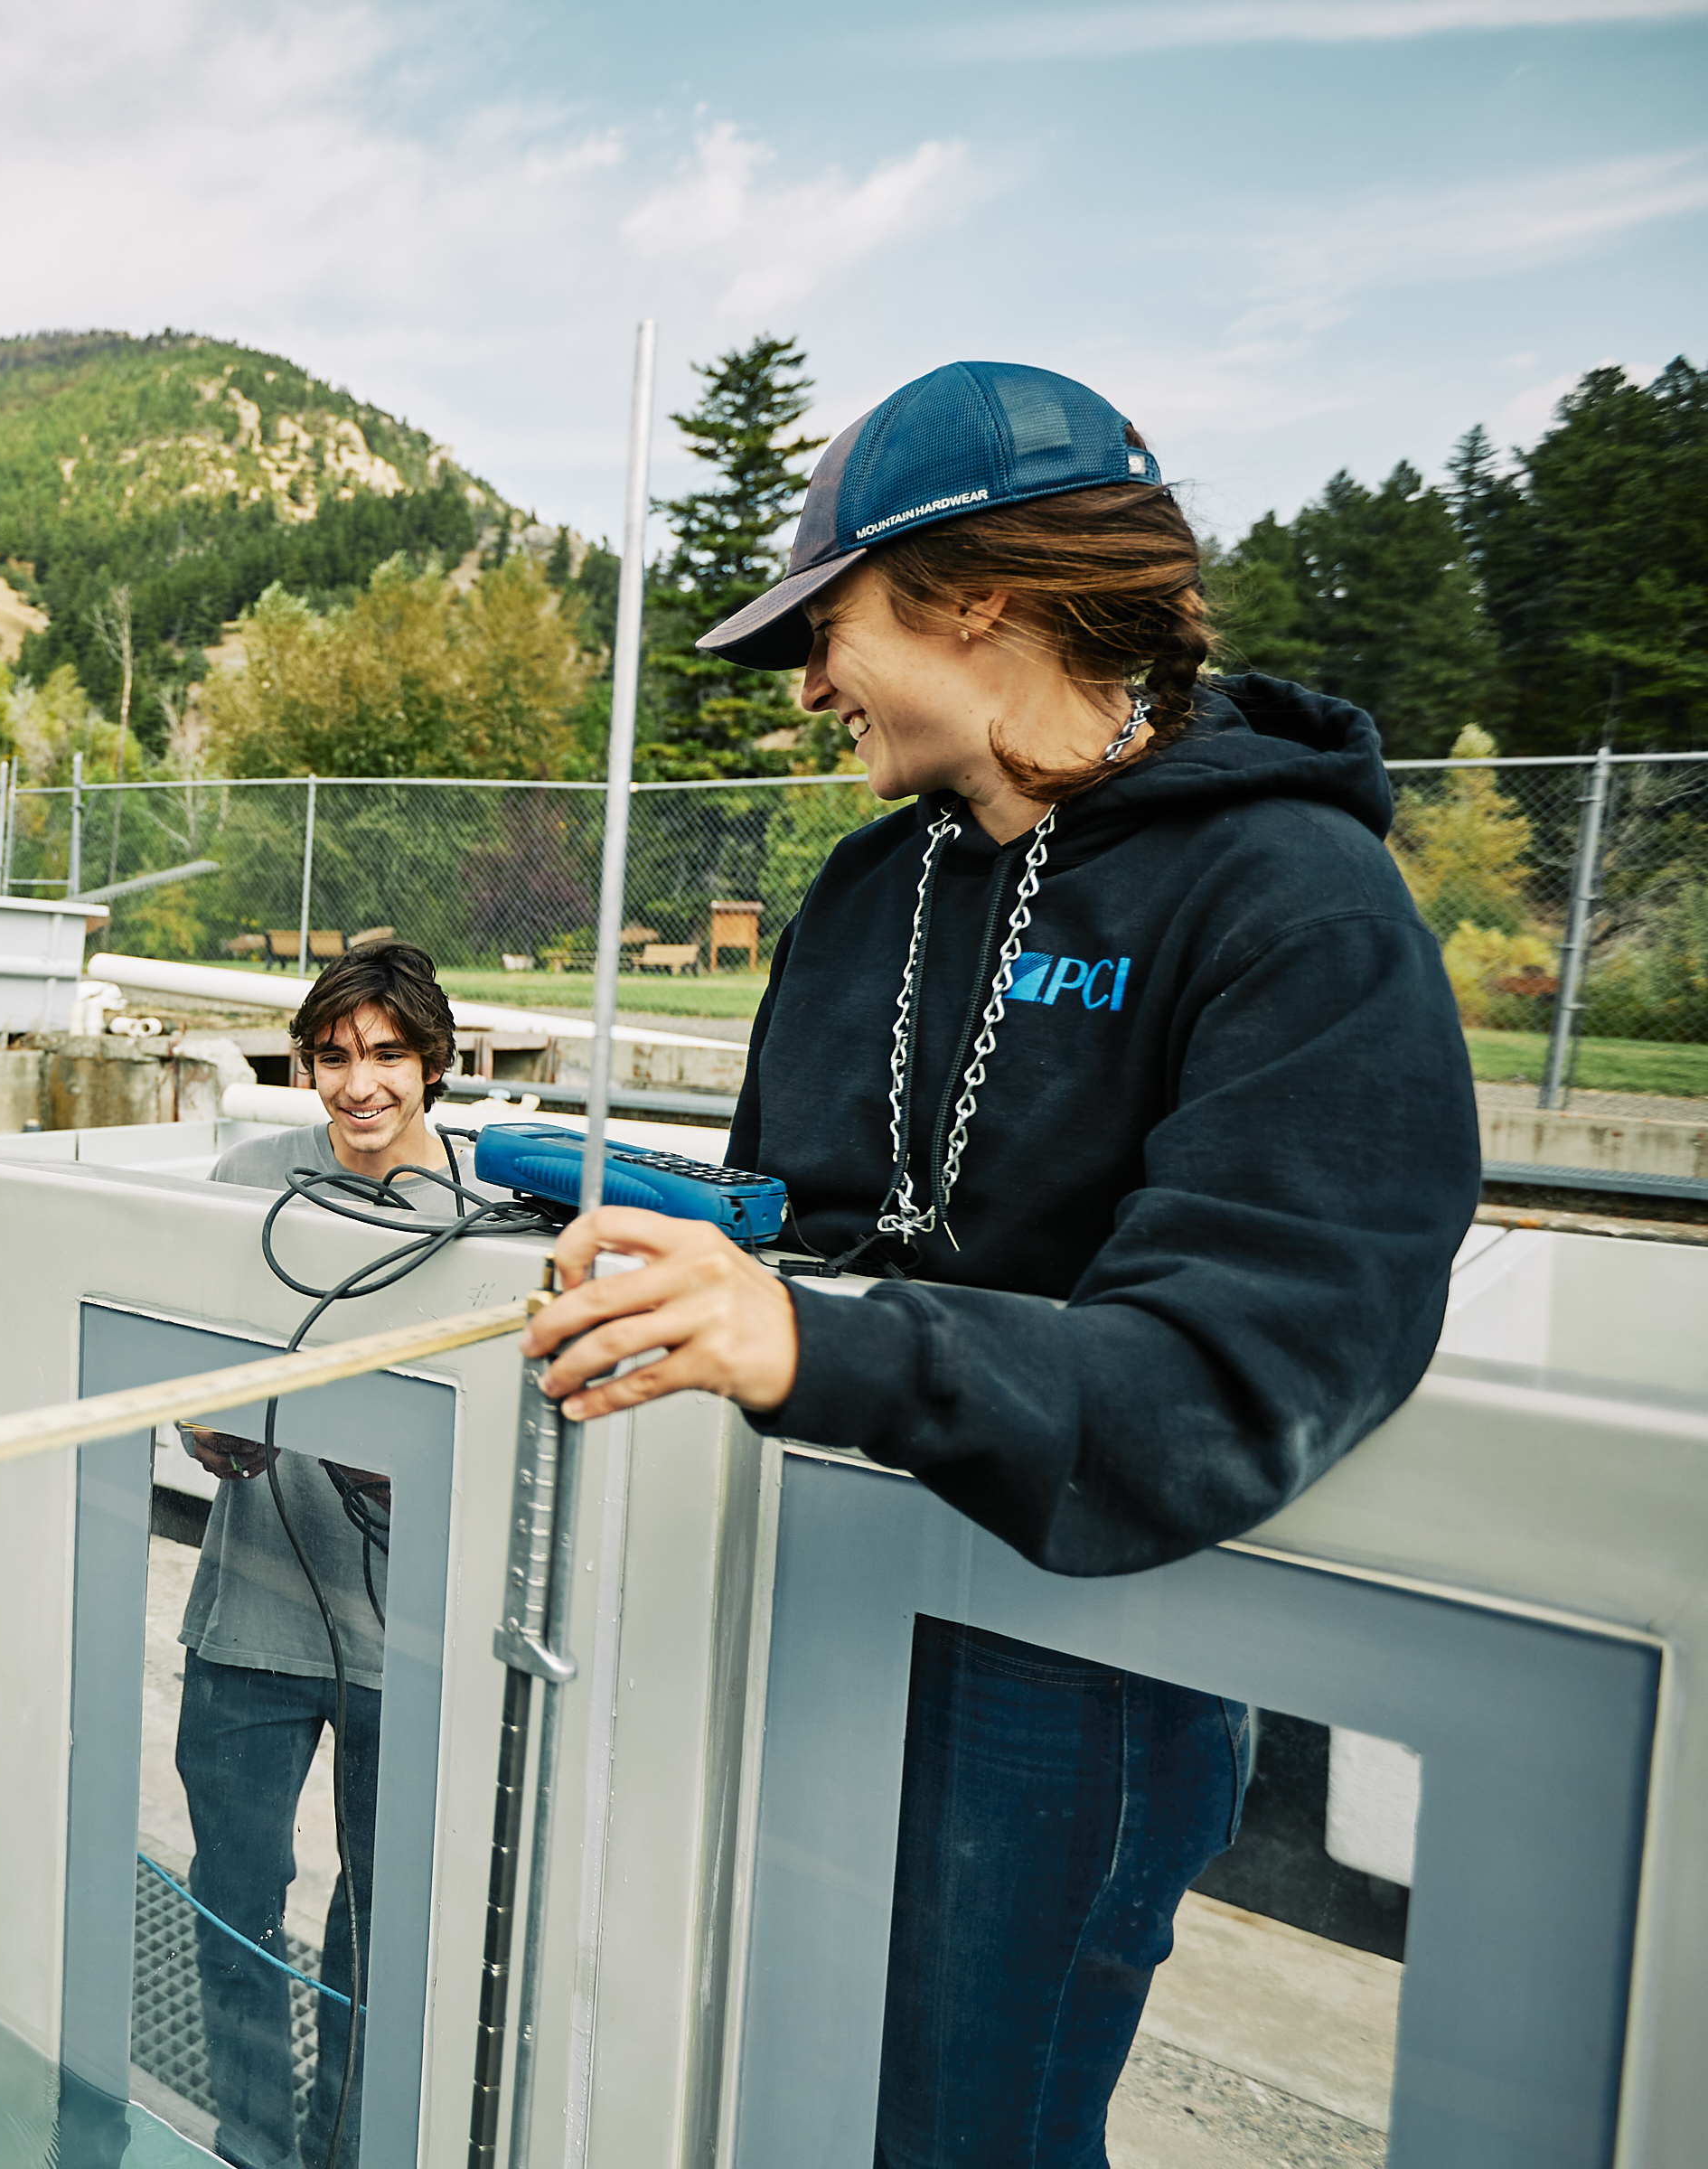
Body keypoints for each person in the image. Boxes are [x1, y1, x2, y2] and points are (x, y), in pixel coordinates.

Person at [521, 361, 1478, 2169]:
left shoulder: (1297, 908)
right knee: (754, 2088)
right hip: (807, 1592)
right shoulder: (871, 893)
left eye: (832, 626)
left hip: (1083, 1673)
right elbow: (794, 1224)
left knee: (959, 2135)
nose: (805, 684)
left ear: (977, 600)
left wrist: (817, 1345)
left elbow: (1233, 1380)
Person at [178, 941, 468, 2169]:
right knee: (233, 1906)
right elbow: (181, 1352)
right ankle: (250, 2143)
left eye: (388, 1056)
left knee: (374, 1924)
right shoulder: (249, 1178)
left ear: (436, 1066)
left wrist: (403, 1483)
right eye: (334, 1056)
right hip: (245, 1623)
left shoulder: (482, 1215)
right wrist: (201, 1423)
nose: (359, 1085)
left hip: (403, 1648)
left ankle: (340, 2151)